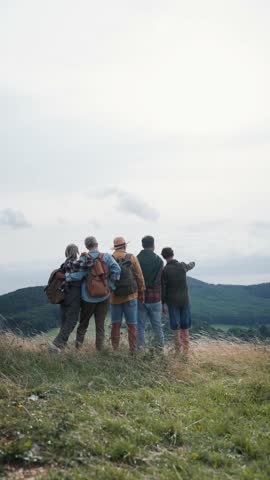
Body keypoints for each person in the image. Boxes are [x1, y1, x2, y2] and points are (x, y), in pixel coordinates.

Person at [65, 236, 121, 350]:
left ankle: (78, 349)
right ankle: (99, 351)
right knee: (100, 326)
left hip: (88, 297)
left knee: (83, 324)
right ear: (97, 244)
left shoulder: (84, 258)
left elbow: (79, 276)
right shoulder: (106, 257)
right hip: (104, 296)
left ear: (86, 246)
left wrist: (68, 276)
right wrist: (109, 285)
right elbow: (117, 270)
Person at [110, 237, 145, 353]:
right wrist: (142, 292)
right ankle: (133, 351)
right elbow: (139, 276)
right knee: (132, 325)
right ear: (125, 246)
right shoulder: (131, 257)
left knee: (115, 324)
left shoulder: (110, 259)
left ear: (114, 247)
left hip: (115, 297)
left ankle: (115, 350)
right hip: (131, 296)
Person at [161, 247, 195, 354]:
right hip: (185, 301)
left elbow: (163, 290)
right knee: (185, 327)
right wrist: (192, 263)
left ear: (164, 257)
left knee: (175, 328)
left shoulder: (165, 271)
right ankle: (186, 352)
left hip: (172, 303)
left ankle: (177, 352)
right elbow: (192, 264)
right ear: (173, 254)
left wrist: (162, 304)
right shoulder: (182, 266)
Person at [48, 243, 81, 352]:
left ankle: (61, 347)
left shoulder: (65, 263)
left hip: (63, 295)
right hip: (73, 296)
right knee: (72, 320)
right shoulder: (76, 263)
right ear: (76, 252)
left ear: (67, 252)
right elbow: (81, 275)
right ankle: (56, 344)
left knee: (65, 320)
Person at [137, 235, 164, 350]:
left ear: (142, 245)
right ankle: (159, 351)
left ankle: (141, 350)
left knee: (140, 326)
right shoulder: (159, 260)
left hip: (140, 297)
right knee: (157, 326)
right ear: (153, 245)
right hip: (155, 298)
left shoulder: (137, 259)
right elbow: (160, 280)